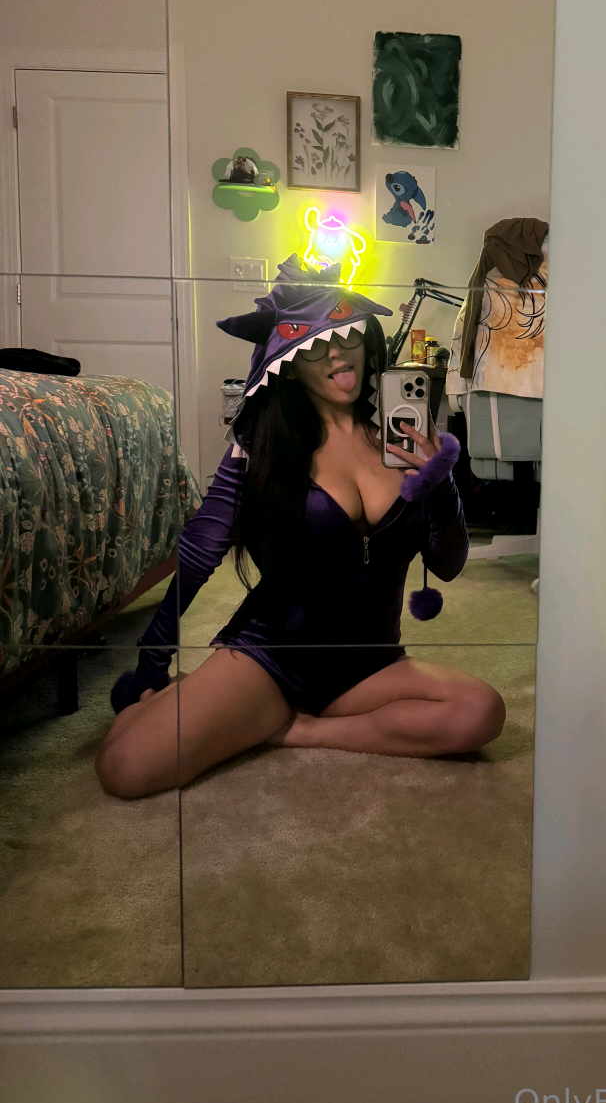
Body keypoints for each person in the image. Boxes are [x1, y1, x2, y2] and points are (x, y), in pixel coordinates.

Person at [95, 261, 505, 800]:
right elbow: (197, 554)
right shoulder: (260, 447)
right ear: (287, 363)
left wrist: (440, 485)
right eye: (314, 345)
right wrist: (150, 666)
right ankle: (221, 705)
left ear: (367, 340)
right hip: (272, 660)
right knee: (124, 767)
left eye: (346, 335)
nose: (336, 354)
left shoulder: (403, 445)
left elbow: (447, 566)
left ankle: (294, 730)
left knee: (481, 712)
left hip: (370, 666)